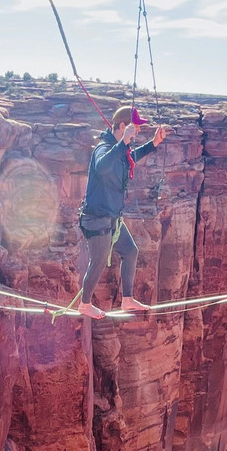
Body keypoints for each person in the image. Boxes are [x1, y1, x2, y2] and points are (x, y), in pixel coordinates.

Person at [76, 105, 170, 319]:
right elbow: (101, 166)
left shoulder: (120, 149)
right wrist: (122, 143)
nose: (137, 131)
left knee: (130, 252)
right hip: (96, 219)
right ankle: (85, 304)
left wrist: (153, 144)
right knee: (98, 261)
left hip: (112, 219)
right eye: (135, 127)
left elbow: (130, 157)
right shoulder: (104, 148)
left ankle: (127, 299)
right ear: (122, 126)